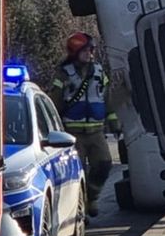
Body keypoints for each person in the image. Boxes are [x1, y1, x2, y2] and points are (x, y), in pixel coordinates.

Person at [49, 32, 116, 219]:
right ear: (75, 51)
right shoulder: (63, 73)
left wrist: (114, 120)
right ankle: (80, 211)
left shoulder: (98, 71)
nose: (90, 54)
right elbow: (55, 99)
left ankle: (92, 198)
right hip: (72, 133)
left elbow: (107, 96)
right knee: (78, 172)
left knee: (104, 164)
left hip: (96, 131)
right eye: (86, 50)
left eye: (91, 50)